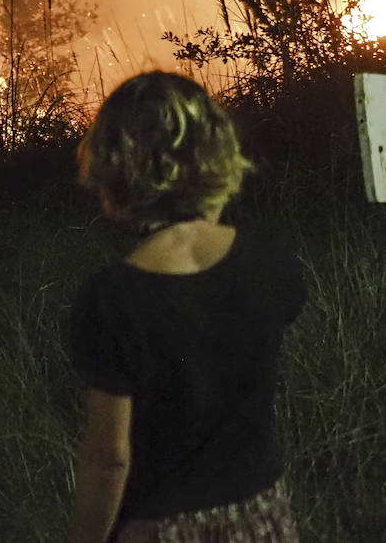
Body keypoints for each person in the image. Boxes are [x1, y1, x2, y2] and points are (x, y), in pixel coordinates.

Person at [66, 71, 306, 543]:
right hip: (259, 518)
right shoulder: (273, 264)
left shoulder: (113, 297)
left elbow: (110, 459)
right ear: (216, 154)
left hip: (158, 528)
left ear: (116, 167)